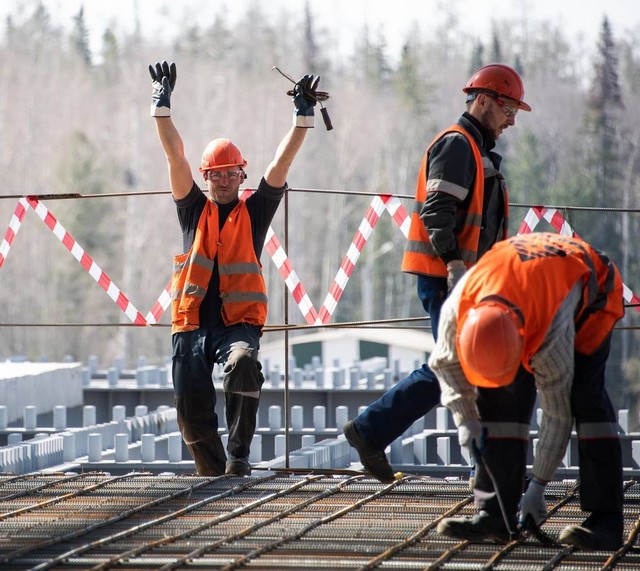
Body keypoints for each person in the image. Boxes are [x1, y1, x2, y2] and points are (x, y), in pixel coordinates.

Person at [343, 63, 531, 483]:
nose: (511, 120)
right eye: (508, 109)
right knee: (459, 364)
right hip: (448, 277)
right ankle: (481, 471)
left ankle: (373, 431)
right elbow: (437, 211)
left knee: (456, 364)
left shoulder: (475, 149)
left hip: (463, 279)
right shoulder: (458, 145)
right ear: (483, 101)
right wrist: (454, 264)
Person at [149, 61, 320, 476]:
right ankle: (211, 473)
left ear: (241, 174)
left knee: (244, 364)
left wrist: (302, 118)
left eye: (230, 173)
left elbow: (281, 165)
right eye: (215, 174)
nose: (223, 180)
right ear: (206, 178)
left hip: (237, 326)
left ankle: (238, 456)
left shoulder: (255, 211)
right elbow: (175, 155)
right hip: (190, 325)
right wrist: (161, 109)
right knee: (190, 409)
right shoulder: (192, 210)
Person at [432, 232, 624, 551]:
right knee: (496, 400)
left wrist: (538, 485)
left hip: (591, 290)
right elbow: (443, 364)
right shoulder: (459, 307)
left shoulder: (550, 333)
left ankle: (606, 522)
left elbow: (557, 415)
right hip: (522, 286)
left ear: (522, 340)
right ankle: (495, 513)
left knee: (585, 399)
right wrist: (466, 420)